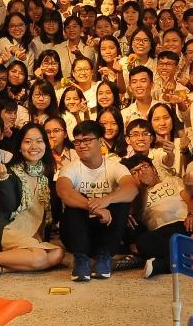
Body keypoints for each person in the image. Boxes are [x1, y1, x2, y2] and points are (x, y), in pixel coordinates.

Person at [0, 123, 65, 279]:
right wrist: (3, 178)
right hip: (9, 229)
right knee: (39, 256)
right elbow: (9, 207)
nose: (34, 146)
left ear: (45, 145)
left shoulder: (47, 173)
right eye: (28, 141)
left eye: (39, 141)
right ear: (19, 147)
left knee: (58, 253)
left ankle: (1, 268)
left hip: (33, 233)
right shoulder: (10, 171)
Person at [56, 119, 140, 281]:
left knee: (121, 201)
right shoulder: (70, 168)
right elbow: (63, 191)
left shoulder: (115, 166)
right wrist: (94, 207)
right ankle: (81, 259)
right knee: (75, 200)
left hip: (105, 231)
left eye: (87, 140)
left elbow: (132, 189)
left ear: (100, 141)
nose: (81, 145)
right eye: (77, 141)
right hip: (76, 233)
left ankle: (104, 256)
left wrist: (106, 200)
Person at [125, 153, 193, 278]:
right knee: (144, 243)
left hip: (186, 224)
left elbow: (191, 198)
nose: (141, 172)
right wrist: (143, 188)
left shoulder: (172, 180)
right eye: (135, 171)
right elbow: (136, 212)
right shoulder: (134, 194)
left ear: (154, 169)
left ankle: (162, 265)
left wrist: (192, 214)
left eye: (144, 167)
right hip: (162, 233)